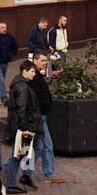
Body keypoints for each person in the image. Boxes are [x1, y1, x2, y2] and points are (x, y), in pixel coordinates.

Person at [24, 49, 66, 185]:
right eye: (42, 60)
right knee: (42, 146)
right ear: (34, 61)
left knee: (41, 146)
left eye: (45, 60)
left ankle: (35, 173)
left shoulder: (37, 75)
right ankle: (43, 173)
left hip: (40, 116)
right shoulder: (33, 76)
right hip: (38, 117)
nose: (44, 63)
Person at [4, 60, 42, 194]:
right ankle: (9, 180)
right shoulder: (23, 87)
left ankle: (20, 176)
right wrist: (24, 128)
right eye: (32, 71)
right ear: (24, 71)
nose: (34, 74)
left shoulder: (21, 85)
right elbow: (21, 109)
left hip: (24, 126)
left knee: (26, 151)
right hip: (24, 127)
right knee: (19, 154)